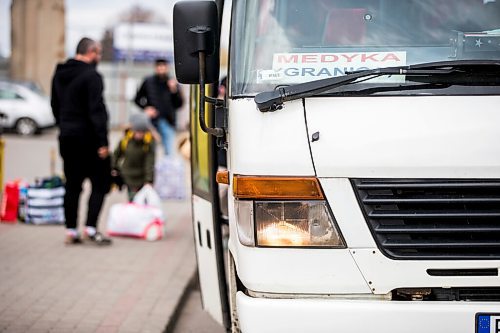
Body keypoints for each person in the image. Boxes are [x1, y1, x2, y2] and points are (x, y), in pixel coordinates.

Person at [50, 37, 112, 246]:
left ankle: (71, 231)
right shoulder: (92, 76)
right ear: (91, 52)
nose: (100, 57)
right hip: (90, 140)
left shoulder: (60, 73)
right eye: (99, 53)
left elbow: (55, 105)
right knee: (101, 183)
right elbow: (96, 111)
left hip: (67, 137)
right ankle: (91, 228)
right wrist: (103, 142)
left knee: (72, 185)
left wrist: (65, 126)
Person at [134, 58, 183, 155]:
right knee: (149, 151)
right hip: (151, 123)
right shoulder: (148, 81)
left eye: (163, 66)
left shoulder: (172, 83)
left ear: (167, 68)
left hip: (168, 122)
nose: (161, 68)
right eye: (159, 66)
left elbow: (179, 104)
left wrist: (174, 91)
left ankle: (167, 169)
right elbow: (137, 99)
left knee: (169, 152)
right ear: (155, 68)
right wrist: (146, 108)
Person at [112, 113, 156, 201]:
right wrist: (114, 168)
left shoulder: (148, 143)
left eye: (142, 132)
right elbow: (116, 155)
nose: (139, 134)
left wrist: (149, 180)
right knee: (133, 199)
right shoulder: (126, 140)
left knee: (142, 200)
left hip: (142, 177)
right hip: (128, 176)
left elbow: (149, 163)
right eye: (137, 131)